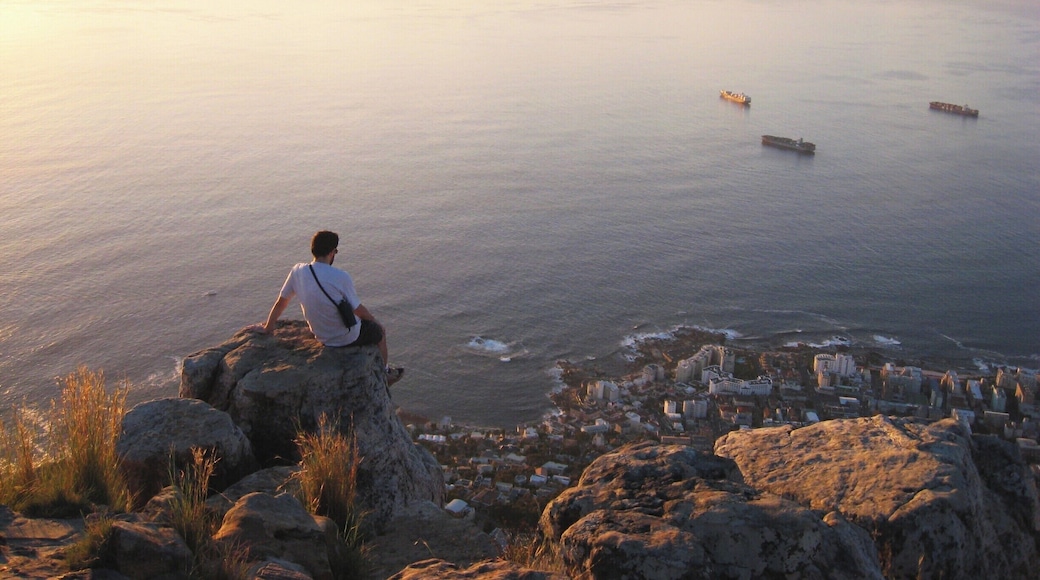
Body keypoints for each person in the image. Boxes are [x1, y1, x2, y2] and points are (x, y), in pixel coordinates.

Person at [249, 230, 404, 386]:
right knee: (379, 332)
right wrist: (374, 320)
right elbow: (358, 310)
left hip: (321, 336)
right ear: (332, 252)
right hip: (346, 337)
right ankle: (386, 373)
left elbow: (281, 302)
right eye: (335, 251)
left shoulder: (297, 271)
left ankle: (384, 371)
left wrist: (268, 327)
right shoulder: (341, 276)